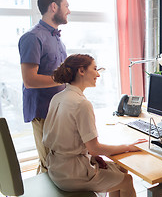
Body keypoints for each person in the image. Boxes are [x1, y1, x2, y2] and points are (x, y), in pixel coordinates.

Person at [43, 54, 147, 197]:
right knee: (127, 180)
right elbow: (95, 148)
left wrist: (91, 155)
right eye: (95, 69)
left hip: (57, 167)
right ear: (81, 71)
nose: (98, 74)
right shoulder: (81, 104)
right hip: (72, 174)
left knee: (120, 169)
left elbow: (72, 141)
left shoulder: (58, 97)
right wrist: (128, 147)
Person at [18, 0, 70, 173]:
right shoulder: (32, 38)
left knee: (57, 165)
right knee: (49, 165)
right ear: (54, 7)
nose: (69, 11)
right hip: (43, 112)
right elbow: (29, 80)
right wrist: (64, 78)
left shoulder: (57, 39)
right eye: (66, 6)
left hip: (59, 110)